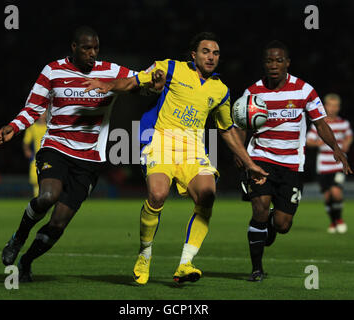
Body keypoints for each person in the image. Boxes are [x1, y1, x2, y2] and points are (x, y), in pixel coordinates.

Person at [83, 32, 269, 285]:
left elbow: (226, 130)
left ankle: (185, 263)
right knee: (157, 195)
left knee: (207, 195)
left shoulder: (220, 90)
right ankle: (144, 254)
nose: (211, 57)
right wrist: (108, 86)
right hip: (160, 140)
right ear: (193, 54)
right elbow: (133, 83)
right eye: (205, 51)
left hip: (193, 148)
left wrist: (249, 163)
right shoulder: (170, 67)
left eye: (215, 53)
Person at [0, 26, 160, 282]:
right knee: (48, 196)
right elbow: (33, 108)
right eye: (86, 48)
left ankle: (27, 260)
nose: (92, 53)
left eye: (96, 49)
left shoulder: (111, 71)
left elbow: (142, 82)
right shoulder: (52, 71)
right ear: (74, 47)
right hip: (56, 147)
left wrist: (153, 81)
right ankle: (18, 238)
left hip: (90, 158)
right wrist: (13, 127)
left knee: (58, 223)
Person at [235, 40, 352, 282]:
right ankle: (256, 269)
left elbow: (320, 123)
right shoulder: (252, 92)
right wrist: (241, 155)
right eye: (269, 60)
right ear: (264, 64)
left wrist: (337, 149)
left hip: (291, 165)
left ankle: (268, 221)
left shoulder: (304, 90)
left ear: (287, 63)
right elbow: (241, 125)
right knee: (259, 207)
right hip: (261, 158)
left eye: (279, 60)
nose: (274, 65)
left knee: (282, 224)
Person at [307, 93, 353, 234]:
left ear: (338, 108)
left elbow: (349, 136)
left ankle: (339, 220)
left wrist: (346, 144)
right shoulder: (319, 124)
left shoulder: (343, 123)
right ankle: (333, 222)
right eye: (330, 105)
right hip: (323, 165)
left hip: (338, 165)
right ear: (325, 107)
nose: (332, 108)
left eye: (335, 106)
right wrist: (318, 142)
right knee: (327, 196)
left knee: (336, 192)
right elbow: (309, 141)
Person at [23, 112, 47, 197]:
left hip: (49, 157)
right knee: (36, 182)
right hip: (36, 158)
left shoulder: (50, 127)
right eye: (40, 114)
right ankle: (38, 201)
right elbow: (26, 142)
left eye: (44, 114)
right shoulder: (32, 128)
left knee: (48, 180)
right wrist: (27, 150)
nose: (42, 116)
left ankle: (47, 200)